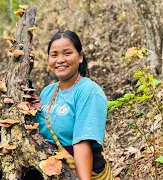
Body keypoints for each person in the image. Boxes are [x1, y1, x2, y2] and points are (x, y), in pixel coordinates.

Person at [35, 30, 113, 180]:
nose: (60, 60)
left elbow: (82, 142)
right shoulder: (47, 91)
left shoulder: (88, 91)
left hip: (78, 171)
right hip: (51, 170)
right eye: (54, 55)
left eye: (67, 53)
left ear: (80, 57)